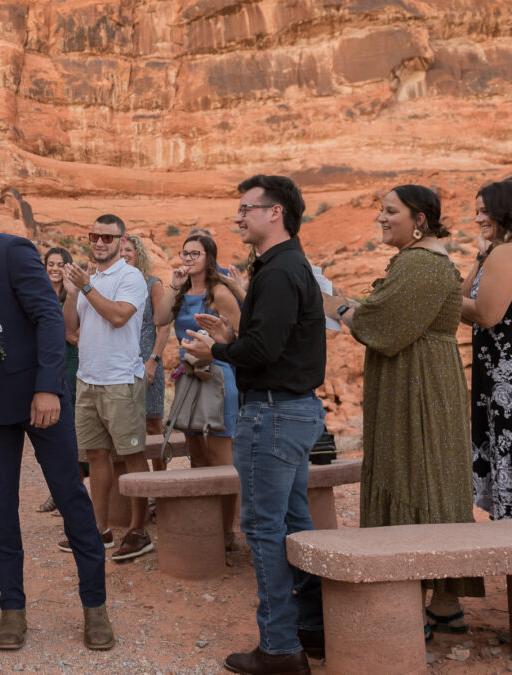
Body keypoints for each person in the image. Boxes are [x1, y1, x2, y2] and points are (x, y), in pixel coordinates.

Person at [0, 175, 112, 651]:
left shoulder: (11, 249)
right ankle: (13, 610)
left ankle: (95, 607)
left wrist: (48, 388)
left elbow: (48, 317)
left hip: (39, 401)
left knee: (70, 496)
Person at [325, 184, 485, 639]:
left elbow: (381, 326)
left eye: (389, 211)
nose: (380, 217)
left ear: (419, 219)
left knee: (411, 473)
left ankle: (409, 606)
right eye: (380, 209)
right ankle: (445, 604)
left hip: (416, 386)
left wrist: (333, 304)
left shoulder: (420, 264)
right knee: (434, 476)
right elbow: (384, 311)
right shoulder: (426, 262)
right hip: (425, 380)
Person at [185, 175, 325, 675]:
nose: (239, 217)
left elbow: (263, 352)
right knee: (292, 522)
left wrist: (216, 350)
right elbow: (272, 342)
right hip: (290, 409)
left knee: (264, 529)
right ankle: (312, 626)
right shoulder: (283, 266)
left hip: (273, 413)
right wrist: (231, 335)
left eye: (247, 209)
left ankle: (281, 647)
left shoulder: (280, 270)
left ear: (276, 213)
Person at [60, 215, 152, 562]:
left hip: (120, 380)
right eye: (94, 236)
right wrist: (72, 296)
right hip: (89, 378)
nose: (99, 242)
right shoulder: (91, 279)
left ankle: (139, 530)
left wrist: (85, 287)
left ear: (120, 240)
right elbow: (71, 330)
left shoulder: (130, 277)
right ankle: (101, 530)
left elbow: (118, 316)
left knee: (131, 455)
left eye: (107, 238)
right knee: (96, 456)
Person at [154, 233, 241, 550]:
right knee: (196, 454)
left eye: (195, 254)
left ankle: (225, 531)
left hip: (217, 376)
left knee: (221, 458)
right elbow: (159, 318)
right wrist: (174, 285)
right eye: (184, 253)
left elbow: (242, 335)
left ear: (209, 257)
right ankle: (206, 523)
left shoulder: (220, 292)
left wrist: (219, 341)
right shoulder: (181, 291)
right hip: (187, 378)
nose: (188, 259)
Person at [460, 181, 512, 520]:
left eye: (483, 210)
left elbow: (485, 314)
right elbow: (469, 302)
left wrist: (433, 295)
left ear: (505, 210)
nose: (477, 218)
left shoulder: (510, 253)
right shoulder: (508, 251)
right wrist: (480, 257)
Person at [36, 245, 82, 513]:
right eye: (50, 264)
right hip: (47, 362)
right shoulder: (39, 293)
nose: (54, 268)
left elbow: (71, 334)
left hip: (71, 362)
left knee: (70, 426)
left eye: (59, 264)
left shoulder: (71, 294)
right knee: (47, 429)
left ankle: (71, 490)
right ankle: (57, 489)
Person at [119, 234, 170, 438]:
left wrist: (153, 361)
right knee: (127, 428)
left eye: (128, 250)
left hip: (148, 361)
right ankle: (134, 471)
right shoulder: (115, 285)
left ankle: (158, 471)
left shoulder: (152, 284)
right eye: (120, 251)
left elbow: (164, 327)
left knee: (153, 426)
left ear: (139, 254)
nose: (124, 254)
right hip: (121, 364)